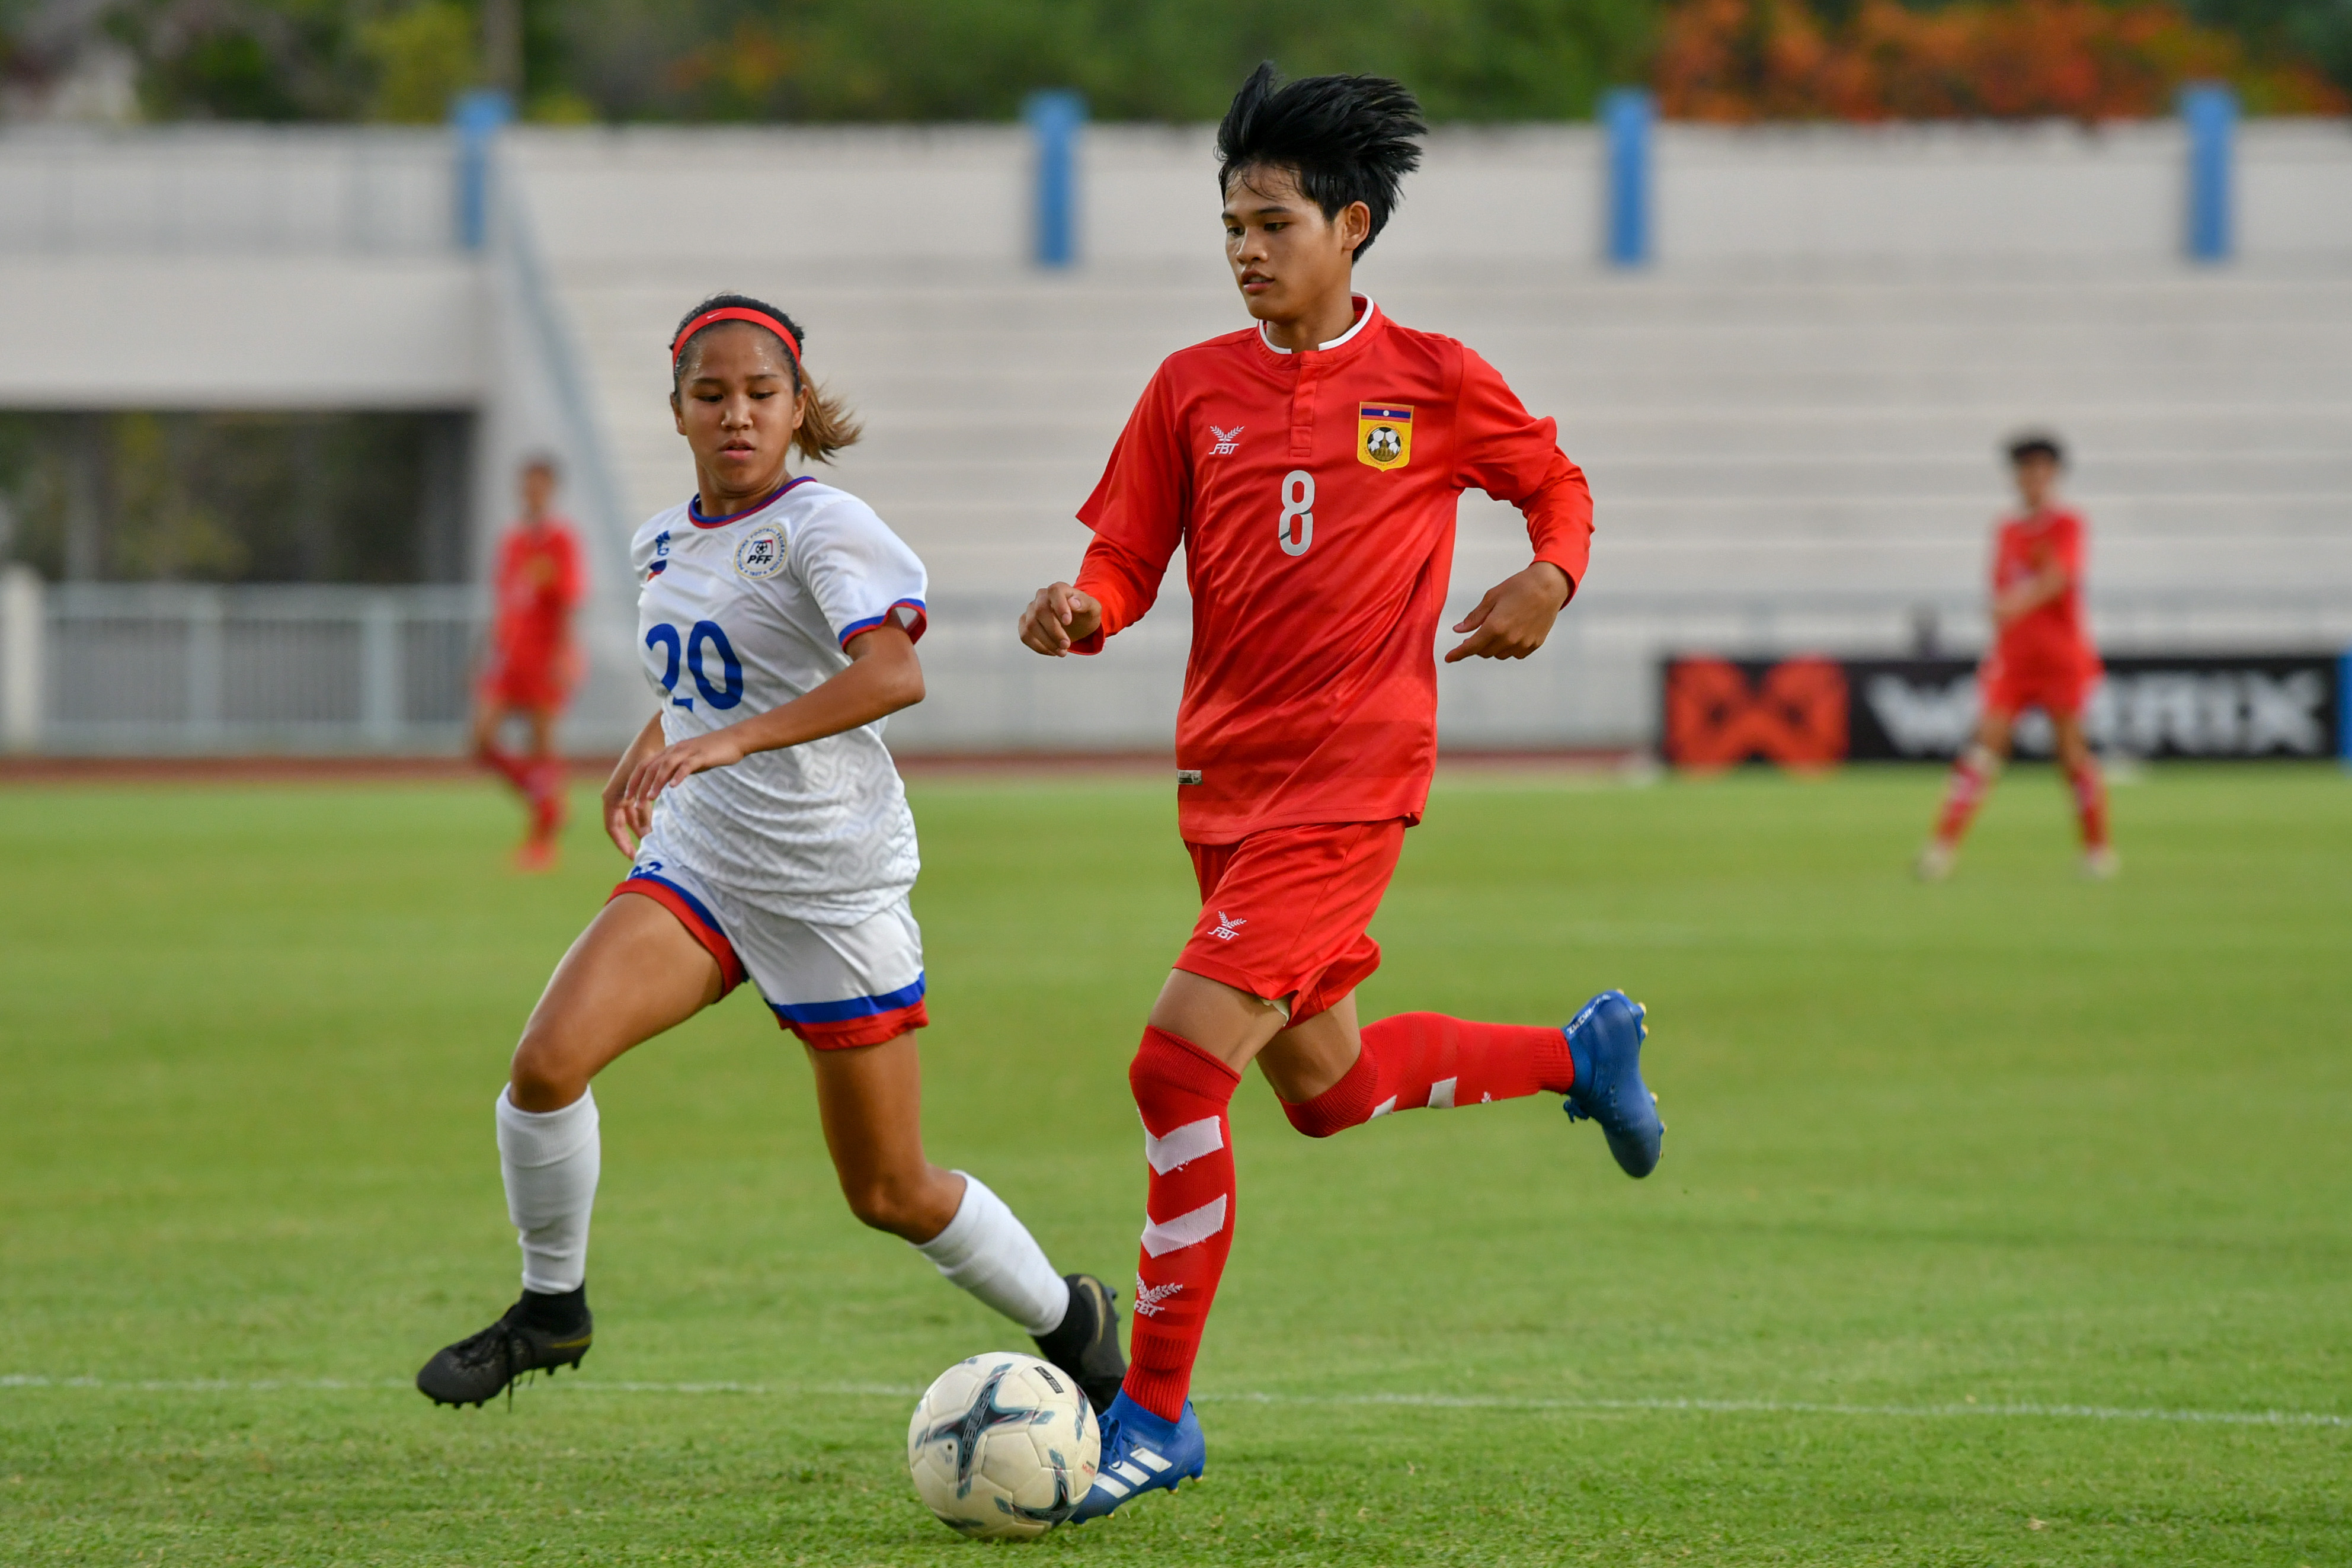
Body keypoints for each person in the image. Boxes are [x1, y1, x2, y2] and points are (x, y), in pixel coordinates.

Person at [1014, 67, 1664, 1522]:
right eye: (1230, 225)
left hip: (1355, 781)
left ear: (1350, 225)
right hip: (1221, 786)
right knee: (1329, 1087)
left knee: (1177, 1068)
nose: (1244, 249)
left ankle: (1157, 1412)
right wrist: (1084, 611)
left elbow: (1556, 483)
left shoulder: (1432, 379)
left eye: (1271, 222)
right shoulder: (1189, 388)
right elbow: (1125, 557)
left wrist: (1549, 578)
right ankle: (1580, 1060)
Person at [418, 294, 1127, 1415]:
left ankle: (1069, 1317)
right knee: (545, 1067)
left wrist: (726, 740)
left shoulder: (822, 527)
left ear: (798, 407)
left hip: (828, 885)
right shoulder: (663, 536)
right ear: (678, 411)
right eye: (712, 396)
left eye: (760, 394)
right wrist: (647, 749)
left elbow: (892, 673)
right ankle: (551, 1309)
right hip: (702, 867)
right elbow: (711, 680)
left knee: (889, 1189)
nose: (737, 415)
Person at [1917, 434, 2114, 881]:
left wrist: (2015, 603)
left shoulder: (2067, 525)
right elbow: (1998, 588)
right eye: (2026, 471)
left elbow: (2060, 578)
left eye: (2042, 470)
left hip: (2060, 657)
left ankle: (2097, 850)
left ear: (2054, 476)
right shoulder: (2006, 530)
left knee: (2070, 754)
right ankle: (1941, 848)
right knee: (1984, 747)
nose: (2034, 480)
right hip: (2014, 658)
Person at [474, 456, 584, 871]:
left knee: (542, 747)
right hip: (508, 659)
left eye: (539, 486)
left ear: (551, 490)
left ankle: (541, 843)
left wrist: (565, 655)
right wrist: (483, 654)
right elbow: (504, 602)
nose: (531, 493)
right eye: (527, 486)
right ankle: (548, 802)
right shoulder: (514, 541)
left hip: (545, 657)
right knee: (481, 740)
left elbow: (570, 601)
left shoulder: (561, 542)